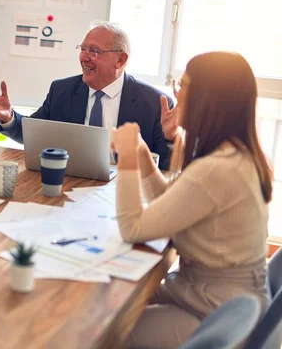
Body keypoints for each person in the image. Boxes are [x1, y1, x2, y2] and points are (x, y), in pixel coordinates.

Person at [111, 52, 273, 348]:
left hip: (215, 312)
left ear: (206, 97)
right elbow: (172, 204)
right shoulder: (233, 153)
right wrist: (142, 154)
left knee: (106, 330)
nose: (175, 91)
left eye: (182, 83)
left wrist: (125, 162)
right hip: (210, 293)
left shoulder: (217, 169)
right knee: (111, 302)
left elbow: (132, 227)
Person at [0, 21, 174, 169]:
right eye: (82, 49)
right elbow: (33, 133)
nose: (83, 57)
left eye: (94, 51)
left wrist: (172, 138)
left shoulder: (155, 103)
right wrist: (9, 117)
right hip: (70, 184)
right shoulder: (62, 91)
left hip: (125, 192)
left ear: (120, 59)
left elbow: (166, 166)